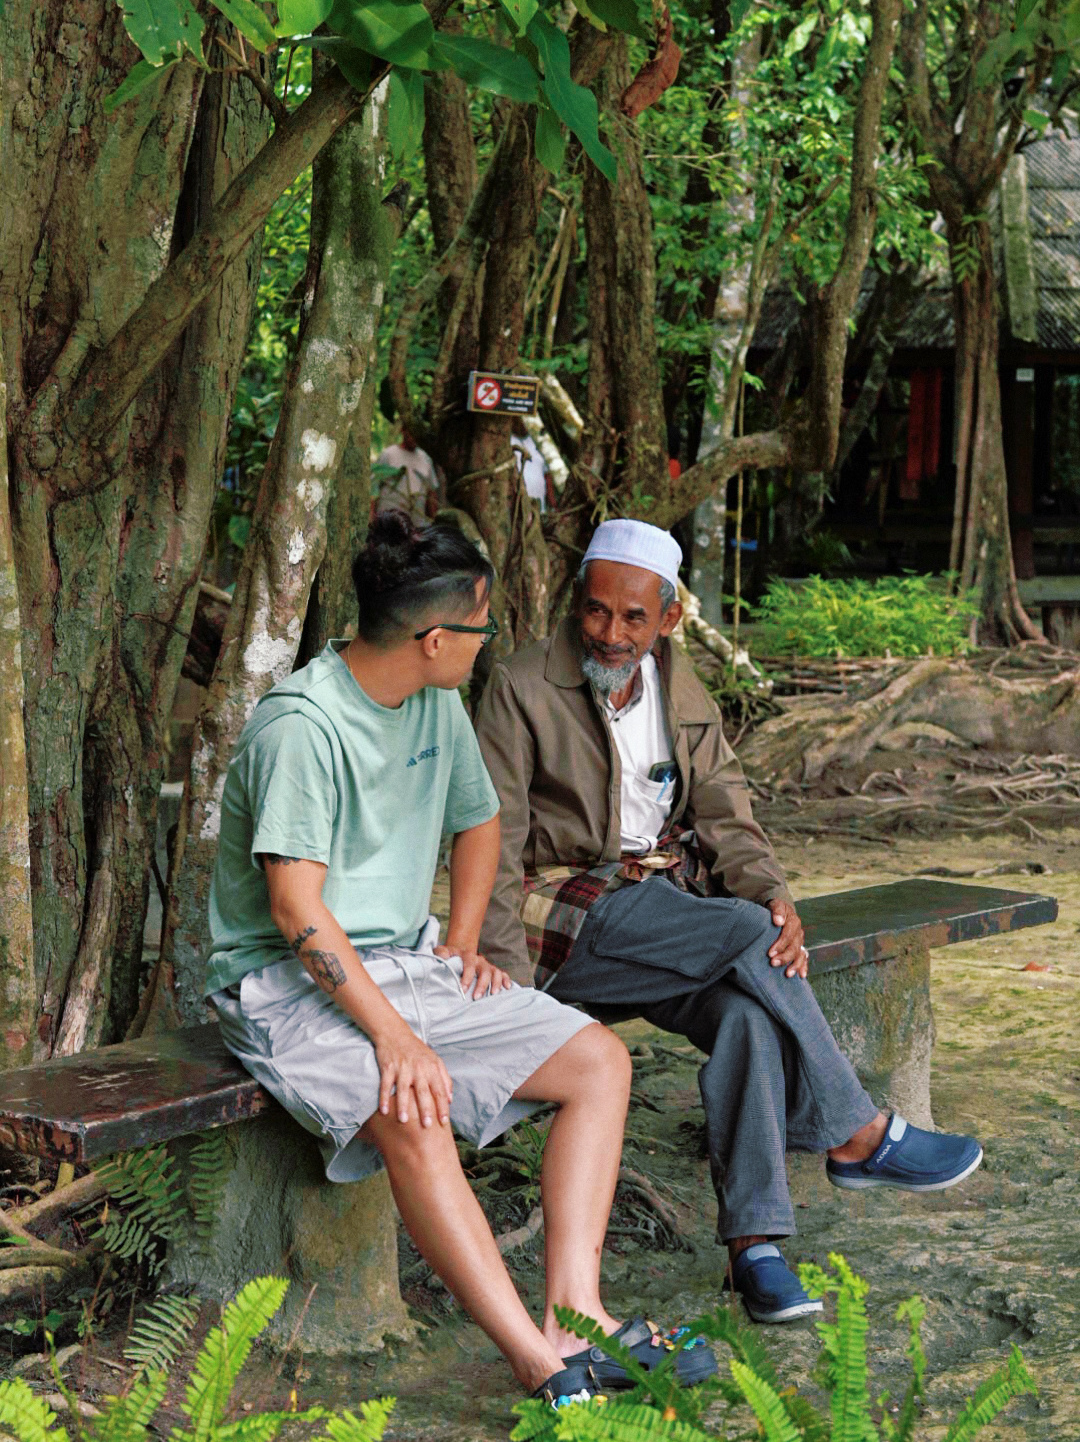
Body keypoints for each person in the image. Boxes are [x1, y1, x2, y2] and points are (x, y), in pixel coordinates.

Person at [205, 514, 715, 1409]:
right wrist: (397, 1037)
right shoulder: (301, 728)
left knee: (600, 1061)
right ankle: (539, 1365)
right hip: (281, 984)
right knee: (414, 1108)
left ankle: (576, 1318)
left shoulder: (433, 700)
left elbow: (479, 823)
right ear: (436, 638)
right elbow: (295, 911)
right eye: (480, 629)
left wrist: (465, 941)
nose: (491, 645)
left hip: (404, 963)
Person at [474, 518, 984, 1325]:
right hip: (562, 912)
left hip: (663, 911)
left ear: (669, 617)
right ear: (579, 604)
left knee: (748, 1014)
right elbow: (490, 833)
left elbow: (727, 813)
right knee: (746, 934)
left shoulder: (681, 687)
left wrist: (773, 891)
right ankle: (858, 1131)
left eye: (633, 618)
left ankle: (757, 1250)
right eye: (597, 612)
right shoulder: (521, 683)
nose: (611, 633)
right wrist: (498, 973)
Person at [372, 427, 442, 523]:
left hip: (416, 522)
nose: (413, 437)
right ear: (403, 431)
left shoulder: (425, 459)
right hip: (389, 520)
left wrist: (434, 520)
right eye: (411, 432)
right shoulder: (388, 454)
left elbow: (431, 493)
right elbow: (373, 487)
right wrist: (371, 518)